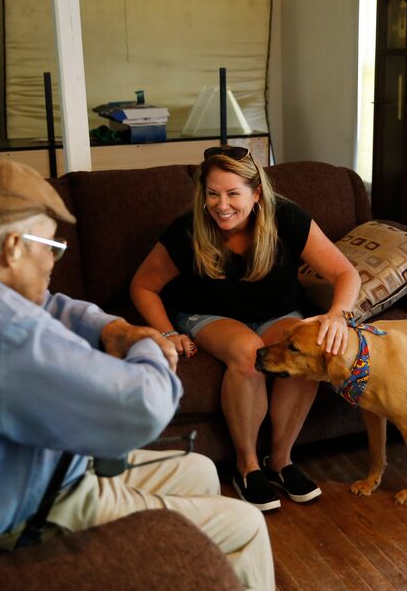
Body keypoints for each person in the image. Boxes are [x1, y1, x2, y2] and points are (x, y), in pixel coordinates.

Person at [0, 159, 274, 591]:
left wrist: (115, 328)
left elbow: (46, 301)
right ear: (13, 246)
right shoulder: (8, 335)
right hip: (25, 517)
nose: (53, 260)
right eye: (50, 245)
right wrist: (148, 343)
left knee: (201, 469)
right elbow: (145, 409)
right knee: (248, 523)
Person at [130, 146, 361, 512]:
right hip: (206, 315)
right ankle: (246, 466)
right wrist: (166, 333)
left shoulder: (286, 218)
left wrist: (337, 315)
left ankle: (281, 462)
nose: (222, 205)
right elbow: (142, 286)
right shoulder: (189, 230)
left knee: (302, 353)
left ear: (256, 193)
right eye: (213, 193)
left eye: (233, 193)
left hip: (277, 312)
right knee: (249, 352)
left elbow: (345, 272)